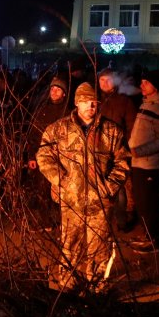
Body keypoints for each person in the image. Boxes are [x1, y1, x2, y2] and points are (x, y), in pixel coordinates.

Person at [35, 81, 130, 292]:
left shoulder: (111, 131)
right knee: (70, 249)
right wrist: (61, 180)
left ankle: (96, 293)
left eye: (94, 103)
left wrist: (109, 187)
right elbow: (43, 155)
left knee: (99, 250)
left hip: (100, 203)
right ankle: (68, 292)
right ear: (77, 103)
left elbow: (123, 161)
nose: (91, 107)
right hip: (71, 202)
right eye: (86, 102)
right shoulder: (59, 129)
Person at [126, 69, 159, 252]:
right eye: (141, 82)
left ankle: (153, 240)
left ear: (155, 85)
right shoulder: (147, 103)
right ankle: (147, 234)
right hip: (138, 163)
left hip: (150, 165)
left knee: (150, 203)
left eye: (145, 82)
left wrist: (138, 151)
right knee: (141, 202)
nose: (141, 85)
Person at [22, 75, 70, 228]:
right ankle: (45, 222)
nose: (54, 92)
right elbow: (34, 135)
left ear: (64, 93)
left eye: (58, 89)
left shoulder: (68, 112)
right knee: (42, 190)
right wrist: (31, 157)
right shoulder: (42, 109)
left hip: (62, 159)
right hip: (43, 157)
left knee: (60, 192)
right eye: (52, 88)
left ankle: (63, 223)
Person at [96, 68, 137, 232]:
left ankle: (121, 220)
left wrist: (125, 148)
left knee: (118, 187)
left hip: (118, 150)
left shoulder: (124, 101)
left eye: (108, 79)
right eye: (101, 80)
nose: (104, 83)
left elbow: (131, 126)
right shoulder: (97, 100)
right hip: (99, 150)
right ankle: (101, 221)